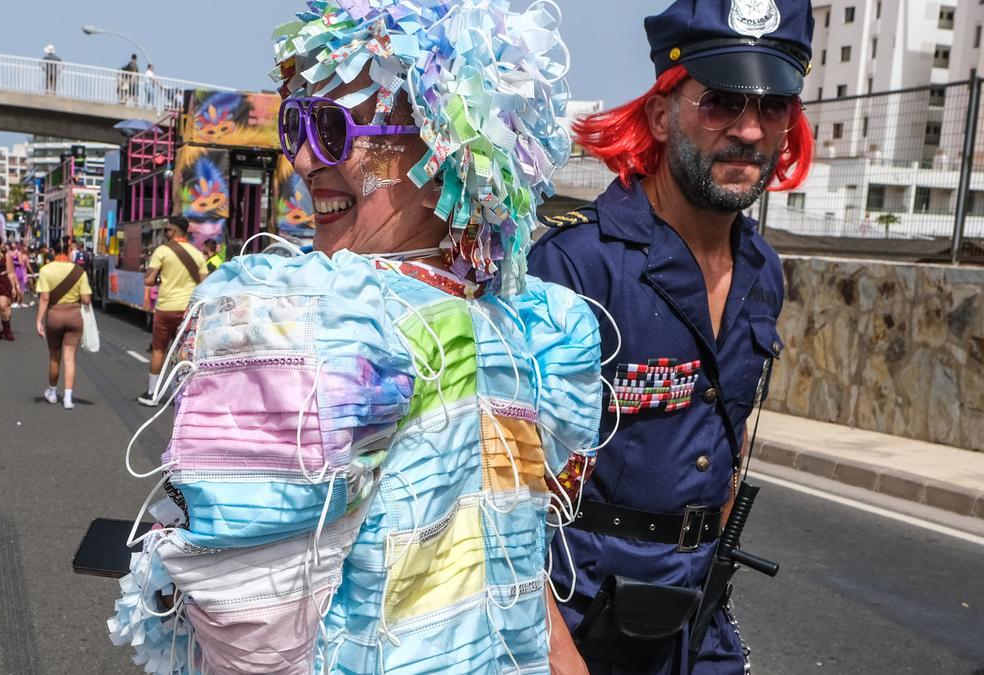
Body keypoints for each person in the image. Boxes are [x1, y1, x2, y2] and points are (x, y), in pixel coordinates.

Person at [106, 2, 602, 673]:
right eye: (299, 124)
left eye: (337, 129)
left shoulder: (331, 322)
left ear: (446, 144)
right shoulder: (536, 329)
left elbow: (247, 628)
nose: (306, 158)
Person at [527, 1, 815, 673]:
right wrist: (555, 653)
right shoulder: (576, 265)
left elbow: (725, 435)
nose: (748, 129)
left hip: (696, 618)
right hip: (580, 617)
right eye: (718, 102)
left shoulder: (762, 269)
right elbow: (497, 488)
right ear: (661, 114)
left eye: (773, 107)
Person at [136, 217, 206, 406]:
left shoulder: (163, 251)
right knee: (186, 352)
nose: (166, 233)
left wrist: (156, 276)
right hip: (188, 310)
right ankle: (185, 396)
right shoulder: (198, 254)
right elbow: (205, 283)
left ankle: (152, 393)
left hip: (166, 308)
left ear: (174, 232)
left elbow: (149, 280)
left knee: (159, 349)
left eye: (167, 230)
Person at [35, 239, 91, 410]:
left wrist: (39, 320)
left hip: (55, 316)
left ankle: (52, 392)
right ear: (69, 251)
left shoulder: (45, 270)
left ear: (53, 251)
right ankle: (68, 398)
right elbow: (86, 299)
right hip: (74, 316)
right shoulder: (79, 271)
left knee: (54, 357)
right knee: (70, 358)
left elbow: (44, 297)